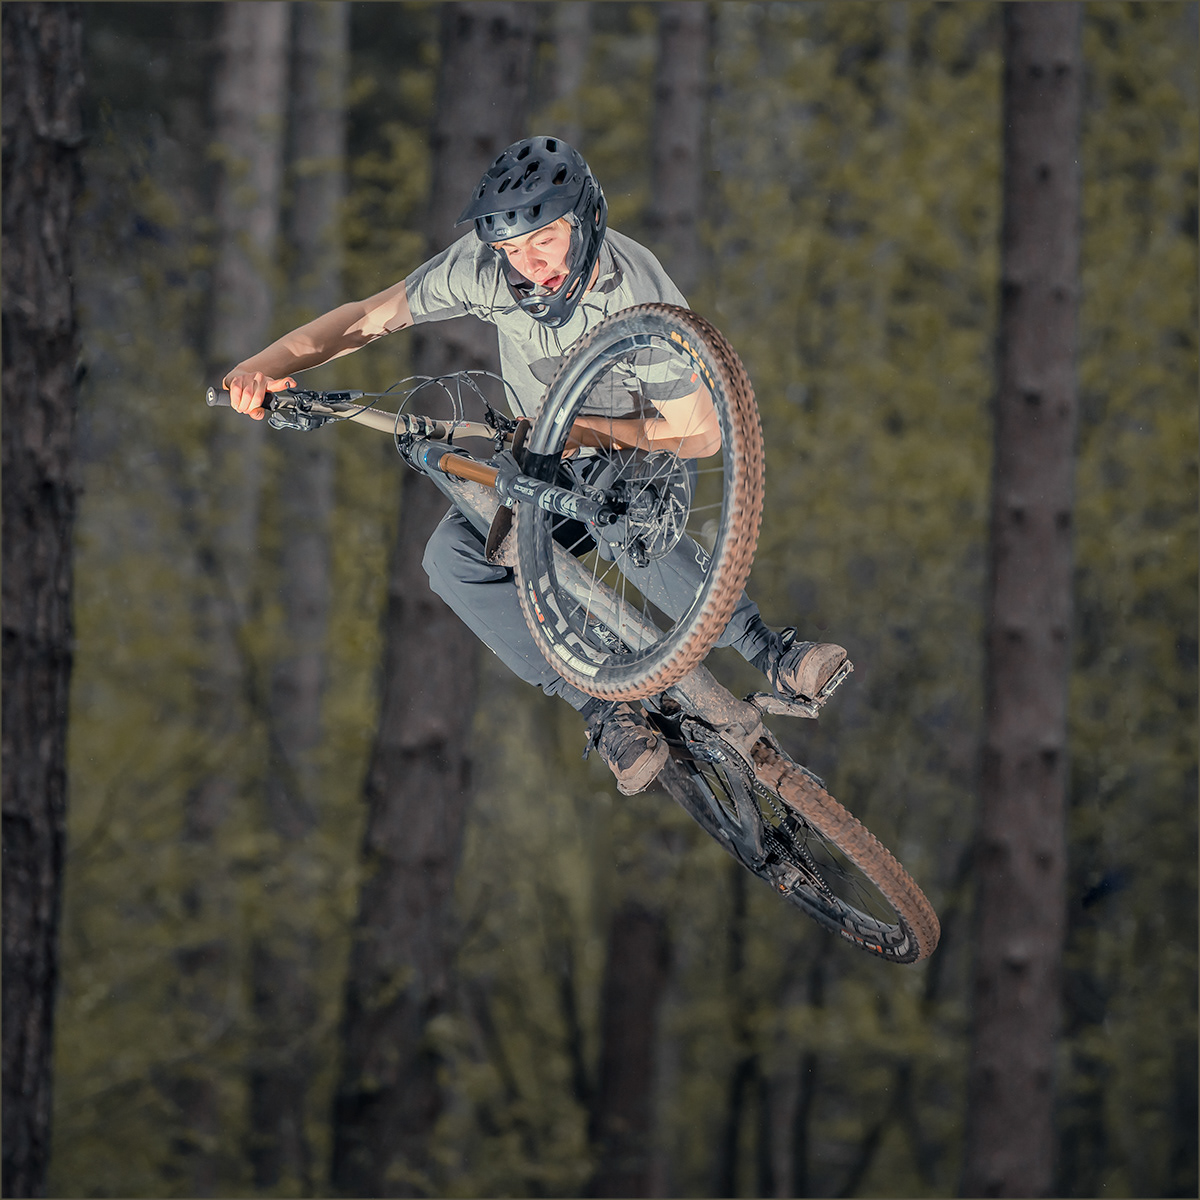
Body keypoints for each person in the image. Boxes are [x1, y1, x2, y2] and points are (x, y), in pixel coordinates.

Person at [224, 136, 846, 795]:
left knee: (618, 516)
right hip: (544, 461)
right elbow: (368, 318)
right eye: (511, 250)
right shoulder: (487, 268)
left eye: (543, 241)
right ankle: (606, 711)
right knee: (453, 558)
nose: (527, 265)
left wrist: (584, 430)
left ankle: (771, 651)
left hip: (641, 458)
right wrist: (268, 365)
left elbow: (697, 434)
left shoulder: (634, 289)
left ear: (583, 222)